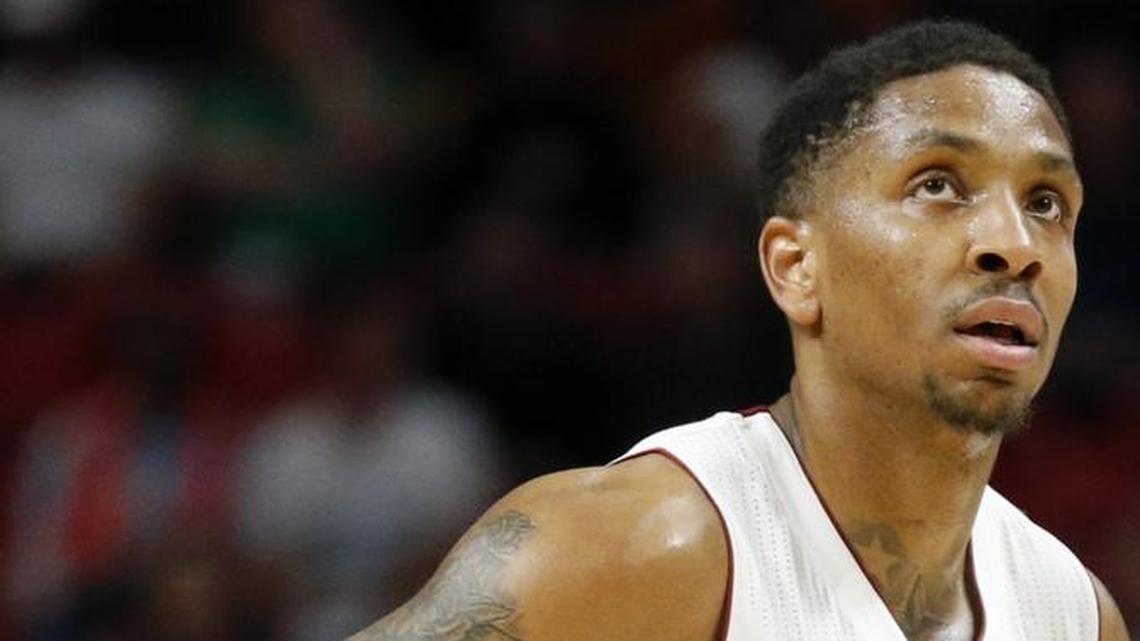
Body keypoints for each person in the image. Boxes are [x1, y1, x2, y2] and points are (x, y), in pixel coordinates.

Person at [345, 21, 1129, 641]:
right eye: (938, 185)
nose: (1015, 244)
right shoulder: (636, 543)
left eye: (1046, 203)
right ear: (796, 268)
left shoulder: (1071, 611)